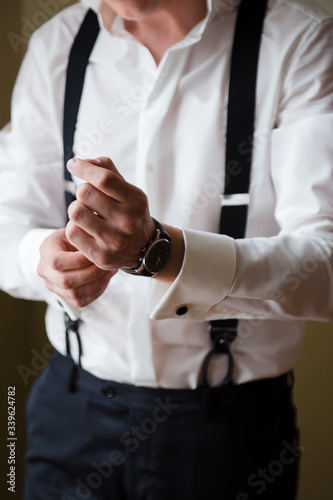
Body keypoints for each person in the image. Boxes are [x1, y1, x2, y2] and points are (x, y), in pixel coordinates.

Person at [0, 0, 332, 498]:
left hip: (228, 433)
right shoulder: (57, 43)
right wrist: (40, 257)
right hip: (68, 413)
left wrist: (159, 252)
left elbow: (325, 265)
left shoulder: (299, 41)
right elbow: (8, 224)